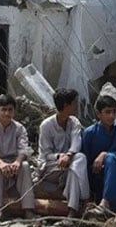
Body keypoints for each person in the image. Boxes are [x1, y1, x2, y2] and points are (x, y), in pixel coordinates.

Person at [0, 94, 37, 221]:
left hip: (12, 162)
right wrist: (1, 163)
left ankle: (28, 209)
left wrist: (17, 162)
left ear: (14, 112)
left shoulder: (19, 128)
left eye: (10, 110)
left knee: (25, 166)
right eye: (3, 110)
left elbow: (23, 149)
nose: (7, 113)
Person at [37, 88, 89, 218]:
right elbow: (45, 154)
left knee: (79, 159)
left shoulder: (74, 122)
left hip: (70, 163)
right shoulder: (46, 126)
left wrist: (68, 155)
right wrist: (59, 156)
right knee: (76, 164)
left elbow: (76, 143)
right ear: (66, 105)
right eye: (75, 103)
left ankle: (71, 209)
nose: (77, 106)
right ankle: (84, 199)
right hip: (51, 166)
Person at [81, 94, 116, 216]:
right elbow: (84, 160)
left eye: (114, 112)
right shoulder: (90, 133)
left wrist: (104, 154)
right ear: (98, 114)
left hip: (114, 173)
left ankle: (105, 203)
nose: (112, 116)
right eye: (107, 112)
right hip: (97, 177)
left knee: (111, 158)